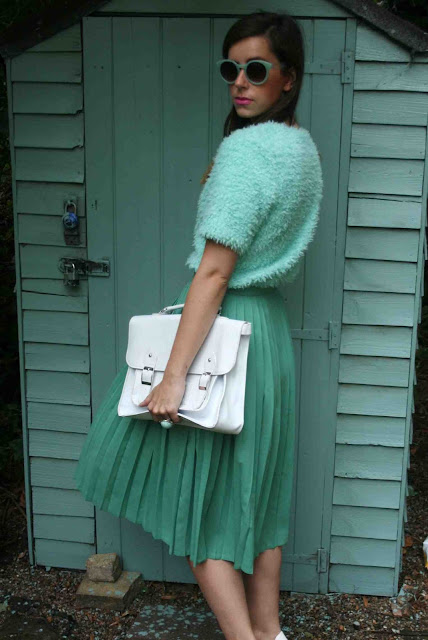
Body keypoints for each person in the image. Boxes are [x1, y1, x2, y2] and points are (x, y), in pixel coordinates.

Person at [74, 10, 323, 640]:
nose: (240, 81)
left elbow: (214, 272)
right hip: (265, 335)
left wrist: (173, 376)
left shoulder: (248, 151)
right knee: (259, 499)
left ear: (288, 78)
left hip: (224, 332)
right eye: (230, 68)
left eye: (256, 69)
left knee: (200, 509)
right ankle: (269, 632)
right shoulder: (299, 147)